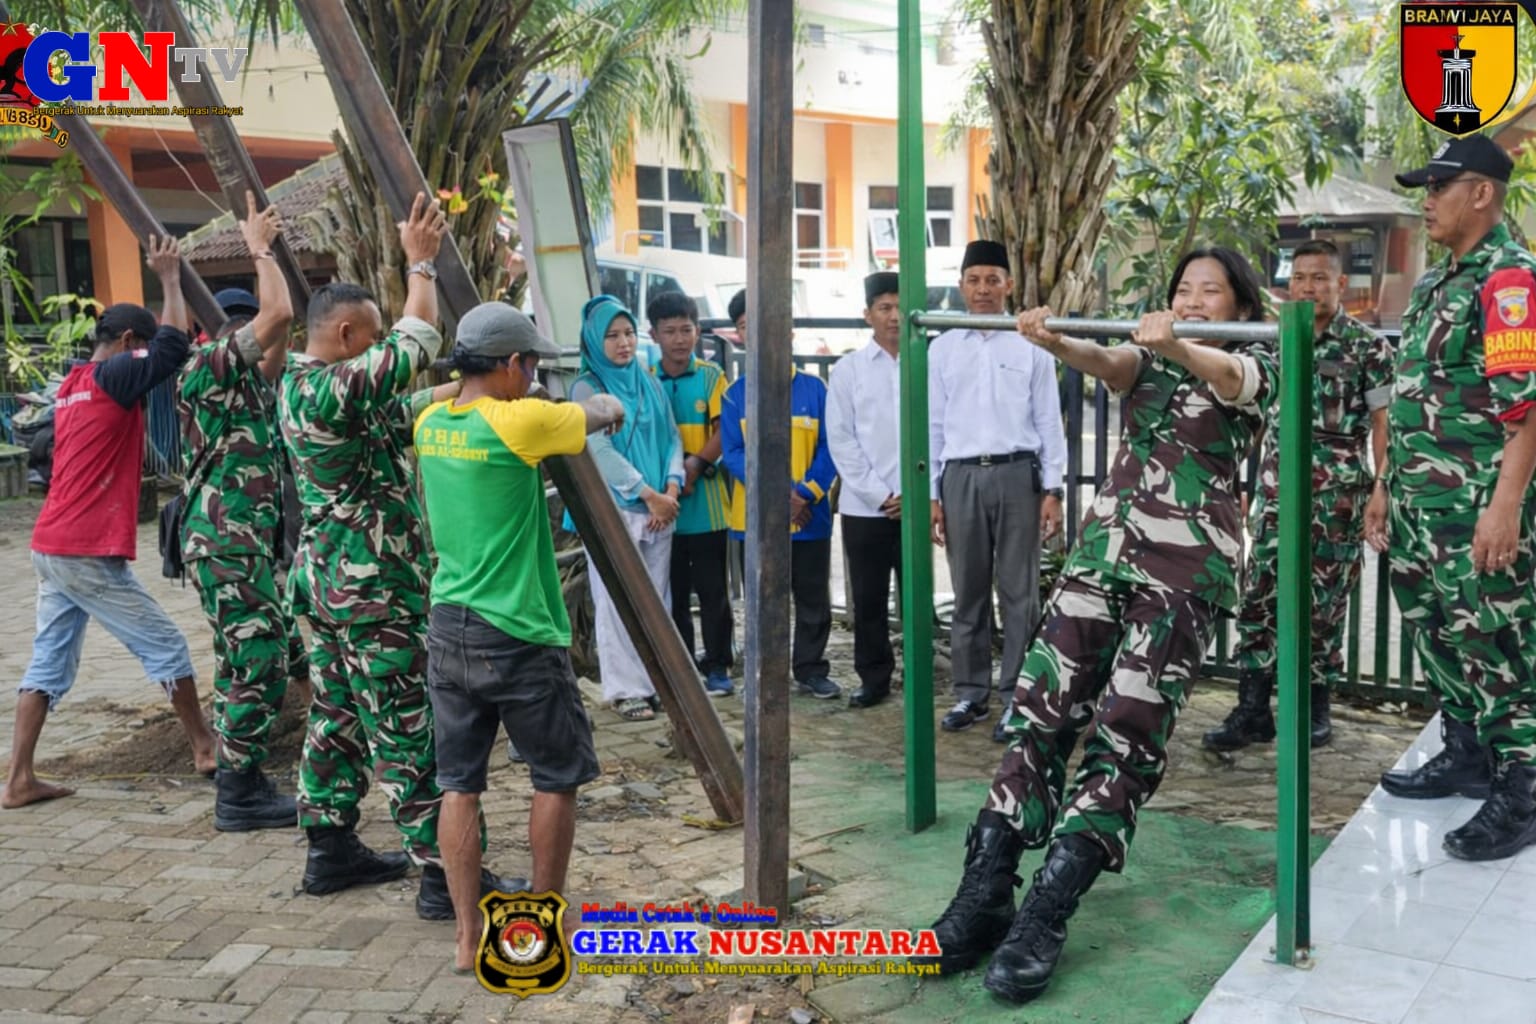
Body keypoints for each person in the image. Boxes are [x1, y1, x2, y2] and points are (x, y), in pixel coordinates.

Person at [915, 248, 1276, 1003]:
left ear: (1240, 305)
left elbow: (1231, 381)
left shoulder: (1256, 360)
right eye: (1183, 288)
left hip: (1183, 575)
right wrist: (1051, 342)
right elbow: (1109, 362)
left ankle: (1047, 910)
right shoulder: (1149, 356)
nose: (1193, 298)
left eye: (1210, 290)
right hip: (1102, 557)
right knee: (1037, 714)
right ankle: (984, 893)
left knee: (1126, 733)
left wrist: (1178, 340)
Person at [279, 193, 521, 917]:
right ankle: (443, 877)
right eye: (372, 339)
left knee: (340, 714)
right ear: (348, 335)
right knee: (407, 721)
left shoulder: (317, 390)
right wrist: (420, 260)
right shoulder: (325, 388)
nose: (384, 350)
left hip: (333, 588)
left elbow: (407, 405)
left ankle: (330, 847)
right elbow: (415, 345)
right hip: (369, 592)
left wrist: (473, 388)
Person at [415, 300, 625, 972]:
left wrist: (473, 379)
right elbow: (597, 415)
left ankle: (465, 936)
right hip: (519, 631)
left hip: (448, 624)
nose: (532, 375)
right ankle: (538, 927)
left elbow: (445, 391)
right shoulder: (521, 422)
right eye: (528, 364)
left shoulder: (431, 423)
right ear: (511, 365)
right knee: (555, 778)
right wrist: (604, 407)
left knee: (459, 784)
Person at [1363, 135, 1536, 862]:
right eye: (1423, 187)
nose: (1426, 199)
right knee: (1436, 633)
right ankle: (1467, 753)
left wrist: (1504, 509)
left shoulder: (1509, 280)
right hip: (1416, 506)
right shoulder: (1441, 280)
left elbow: (1525, 408)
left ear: (1483, 193)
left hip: (1473, 509)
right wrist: (1381, 487)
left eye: (1440, 186)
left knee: (1494, 642)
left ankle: (1523, 784)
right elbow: (1410, 395)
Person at [4, 237, 216, 809]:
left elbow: (168, 348)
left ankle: (19, 780)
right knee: (167, 644)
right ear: (126, 345)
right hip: (82, 551)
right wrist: (170, 280)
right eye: (139, 348)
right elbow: (171, 346)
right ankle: (204, 747)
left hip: (51, 544)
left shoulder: (73, 385)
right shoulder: (116, 376)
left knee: (49, 659)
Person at [1204, 239, 1394, 752]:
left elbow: (1384, 423)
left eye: (1319, 277)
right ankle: (1252, 710)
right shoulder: (1276, 341)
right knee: (1260, 595)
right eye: (1300, 277)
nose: (1309, 286)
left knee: (1323, 604)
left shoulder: (1367, 348)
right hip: (1274, 487)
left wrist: (1382, 488)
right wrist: (1247, 486)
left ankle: (1313, 708)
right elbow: (1256, 417)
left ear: (1341, 285)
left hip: (1337, 499)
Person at [177, 192, 306, 831]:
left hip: (240, 544)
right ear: (223, 335)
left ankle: (242, 780)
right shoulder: (207, 368)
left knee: (244, 657)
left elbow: (279, 333)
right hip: (224, 541)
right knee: (261, 659)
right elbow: (279, 313)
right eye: (243, 326)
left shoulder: (252, 386)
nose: (259, 334)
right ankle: (239, 790)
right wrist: (257, 248)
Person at [928, 240, 1067, 740]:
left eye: (992, 279)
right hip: (960, 477)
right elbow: (934, 425)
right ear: (961, 285)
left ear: (1009, 285)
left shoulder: (1032, 344)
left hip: (1016, 477)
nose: (983, 289)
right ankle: (970, 692)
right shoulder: (942, 347)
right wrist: (933, 496)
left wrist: (1053, 489)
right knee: (966, 590)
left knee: (1019, 593)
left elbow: (1049, 420)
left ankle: (1017, 696)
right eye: (973, 280)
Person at [720, 288, 842, 700]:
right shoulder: (734, 396)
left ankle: (810, 669)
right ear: (738, 335)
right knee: (761, 601)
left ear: (788, 330)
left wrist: (804, 494)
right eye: (745, 326)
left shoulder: (815, 390)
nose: (757, 333)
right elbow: (732, 454)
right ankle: (763, 672)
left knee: (811, 599)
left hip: (809, 518)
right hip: (754, 519)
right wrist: (777, 496)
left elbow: (831, 446)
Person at [569, 294, 684, 721]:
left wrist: (671, 486)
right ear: (595, 340)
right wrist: (646, 493)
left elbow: (672, 436)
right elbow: (596, 447)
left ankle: (656, 681)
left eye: (629, 334)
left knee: (657, 596)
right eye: (612, 336)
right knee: (616, 600)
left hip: (660, 507)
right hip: (613, 509)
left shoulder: (648, 381)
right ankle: (625, 689)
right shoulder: (586, 387)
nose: (624, 343)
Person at [648, 291, 735, 697]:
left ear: (698, 332)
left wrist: (696, 465)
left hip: (708, 506)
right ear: (655, 335)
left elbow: (725, 430)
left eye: (687, 330)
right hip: (664, 508)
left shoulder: (712, 377)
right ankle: (682, 665)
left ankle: (718, 664)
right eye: (670, 332)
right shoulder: (646, 378)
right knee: (673, 591)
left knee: (714, 589)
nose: (680, 339)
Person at [826, 272, 904, 708]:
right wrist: (880, 494)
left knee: (915, 597)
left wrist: (913, 493)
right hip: (865, 505)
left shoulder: (925, 363)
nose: (893, 317)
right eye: (884, 308)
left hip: (916, 503)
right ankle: (874, 677)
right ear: (867, 315)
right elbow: (841, 439)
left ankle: (921, 670)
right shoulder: (849, 370)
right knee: (869, 598)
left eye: (899, 306)